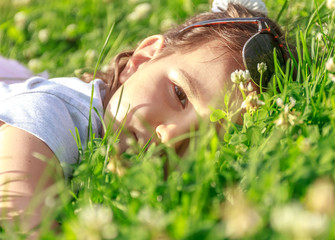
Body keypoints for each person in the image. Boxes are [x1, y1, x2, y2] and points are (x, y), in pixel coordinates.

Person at [0, 1, 293, 233]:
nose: (171, 136)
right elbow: (19, 214)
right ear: (141, 60)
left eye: (206, 139)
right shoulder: (58, 110)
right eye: (179, 94)